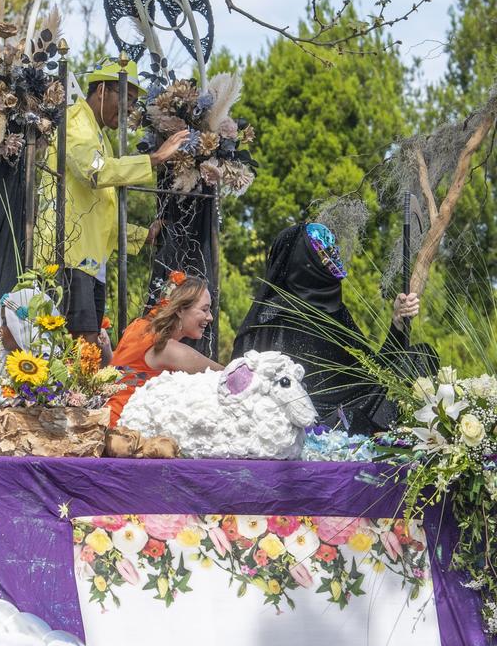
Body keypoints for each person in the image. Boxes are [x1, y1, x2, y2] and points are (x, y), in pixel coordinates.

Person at [35, 59, 189, 343]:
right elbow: (94, 171)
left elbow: (100, 215)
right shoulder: (75, 121)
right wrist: (153, 160)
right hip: (67, 259)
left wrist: (143, 236)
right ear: (103, 90)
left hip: (88, 262)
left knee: (88, 351)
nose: (131, 108)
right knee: (81, 350)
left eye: (133, 101)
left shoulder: (98, 135)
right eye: (127, 98)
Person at [231, 222, 421, 434]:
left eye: (333, 252)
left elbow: (375, 374)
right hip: (290, 431)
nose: (332, 261)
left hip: (351, 419)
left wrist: (397, 323)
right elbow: (243, 390)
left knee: (420, 356)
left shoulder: (336, 314)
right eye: (323, 254)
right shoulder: (271, 317)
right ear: (302, 261)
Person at [107, 273, 223, 426]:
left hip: (106, 416)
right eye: (205, 310)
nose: (210, 318)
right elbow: (227, 373)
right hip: (123, 430)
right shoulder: (169, 350)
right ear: (180, 310)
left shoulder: (138, 326)